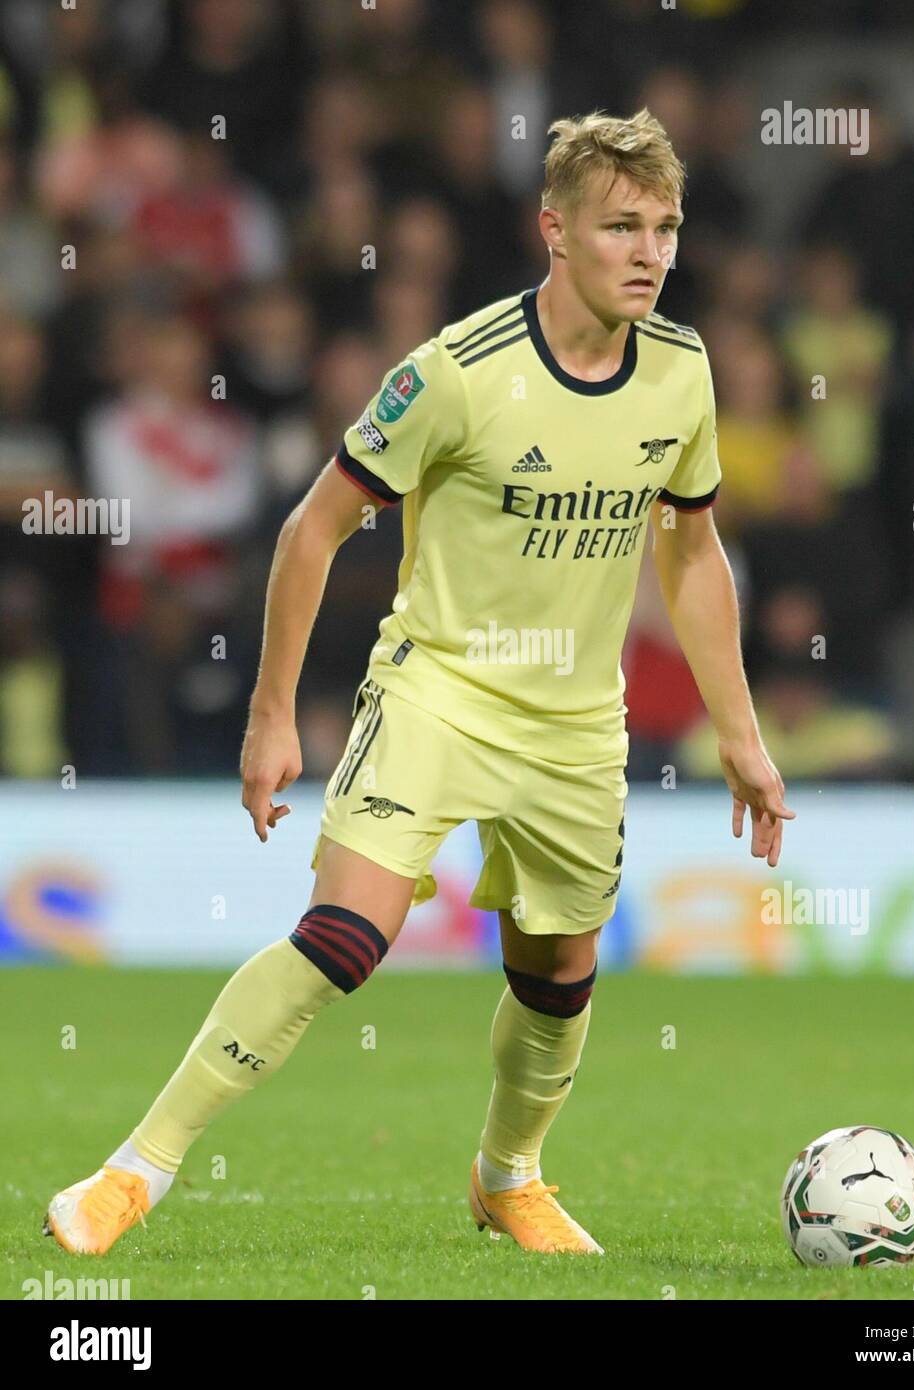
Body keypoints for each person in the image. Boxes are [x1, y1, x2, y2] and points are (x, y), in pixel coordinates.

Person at [44, 108, 793, 1258]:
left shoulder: (681, 374)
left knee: (557, 975)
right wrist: (272, 715)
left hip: (575, 719)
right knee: (344, 936)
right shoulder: (454, 373)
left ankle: (507, 1176)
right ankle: (134, 1169)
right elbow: (312, 529)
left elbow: (688, 550)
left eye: (665, 228)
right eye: (620, 227)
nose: (649, 253)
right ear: (554, 229)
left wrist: (740, 733)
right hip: (439, 689)